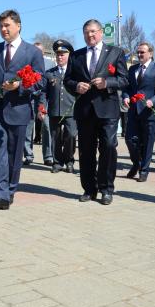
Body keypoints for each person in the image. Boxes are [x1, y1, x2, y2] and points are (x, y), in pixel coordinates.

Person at [0, 9, 45, 210]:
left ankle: (10, 189)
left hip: (18, 110)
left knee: (14, 154)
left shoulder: (32, 52)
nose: (3, 29)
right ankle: (0, 193)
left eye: (7, 25)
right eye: (1, 26)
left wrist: (21, 87)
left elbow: (41, 81)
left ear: (18, 26)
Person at [64, 19, 128, 205]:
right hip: (85, 111)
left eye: (92, 31)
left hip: (107, 108)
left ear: (100, 32)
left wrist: (107, 83)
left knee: (108, 146)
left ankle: (106, 188)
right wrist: (76, 86)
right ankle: (89, 189)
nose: (89, 35)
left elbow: (124, 80)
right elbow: (67, 80)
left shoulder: (115, 53)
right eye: (86, 32)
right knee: (86, 150)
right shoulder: (76, 56)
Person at [122, 42, 155, 181]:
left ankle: (144, 171)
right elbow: (127, 88)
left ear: (150, 53)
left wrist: (153, 100)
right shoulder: (133, 69)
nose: (139, 55)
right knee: (129, 139)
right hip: (133, 111)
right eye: (138, 52)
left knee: (148, 143)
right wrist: (126, 97)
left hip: (150, 112)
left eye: (142, 52)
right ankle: (137, 163)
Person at [39, 40, 76, 173]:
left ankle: (69, 160)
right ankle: (57, 162)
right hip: (54, 109)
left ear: (69, 55)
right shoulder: (49, 73)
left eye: (63, 54)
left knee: (71, 136)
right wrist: (42, 107)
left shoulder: (75, 72)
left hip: (70, 110)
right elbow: (44, 92)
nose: (60, 57)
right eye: (58, 54)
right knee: (55, 136)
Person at [24, 42, 54, 166]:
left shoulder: (50, 64)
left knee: (46, 126)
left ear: (42, 52)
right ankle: (28, 155)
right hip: (29, 97)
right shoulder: (27, 63)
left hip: (44, 98)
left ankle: (48, 156)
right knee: (28, 127)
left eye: (38, 51)